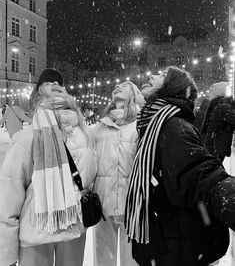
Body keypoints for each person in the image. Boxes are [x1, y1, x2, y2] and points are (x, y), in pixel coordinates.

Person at [124, 66, 235, 266]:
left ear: (172, 87)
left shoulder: (172, 126)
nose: (151, 75)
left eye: (162, 75)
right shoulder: (154, 125)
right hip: (174, 241)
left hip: (181, 247)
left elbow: (204, 176)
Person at [0, 68, 97, 266]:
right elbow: (9, 197)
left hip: (73, 228)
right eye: (47, 82)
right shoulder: (28, 137)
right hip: (36, 232)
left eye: (59, 83)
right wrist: (6, 254)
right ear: (37, 94)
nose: (55, 84)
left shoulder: (84, 134)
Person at [92, 81, 145, 266]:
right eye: (117, 85)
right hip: (103, 199)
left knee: (131, 257)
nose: (118, 86)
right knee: (103, 255)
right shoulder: (100, 126)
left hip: (131, 202)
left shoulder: (141, 124)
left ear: (134, 93)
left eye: (125, 85)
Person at [199, 82, 235, 162]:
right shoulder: (223, 107)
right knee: (215, 169)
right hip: (217, 146)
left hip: (213, 145)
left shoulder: (216, 104)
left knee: (213, 169)